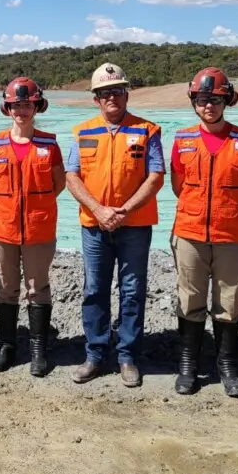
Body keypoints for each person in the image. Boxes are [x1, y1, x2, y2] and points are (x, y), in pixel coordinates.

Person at [65, 63, 165, 388]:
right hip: (94, 226)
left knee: (133, 292)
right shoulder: (82, 132)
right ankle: (95, 354)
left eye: (117, 91)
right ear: (96, 99)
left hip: (134, 226)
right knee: (94, 290)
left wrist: (122, 210)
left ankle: (127, 357)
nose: (112, 97)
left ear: (126, 95)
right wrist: (98, 209)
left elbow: (155, 176)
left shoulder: (148, 130)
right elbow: (71, 177)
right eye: (105, 93)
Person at [169, 68, 238, 398]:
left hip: (233, 236)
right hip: (190, 234)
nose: (209, 105)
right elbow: (179, 187)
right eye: (203, 99)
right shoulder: (182, 140)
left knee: (229, 303)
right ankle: (188, 366)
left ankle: (228, 366)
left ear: (228, 100)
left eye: (217, 99)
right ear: (194, 101)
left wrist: (225, 210)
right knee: (190, 300)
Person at [0, 77, 65, 377]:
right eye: (15, 105)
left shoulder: (49, 143)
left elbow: (59, 184)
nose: (21, 110)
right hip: (2, 228)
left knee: (37, 288)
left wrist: (34, 207)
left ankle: (38, 351)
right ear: (7, 107)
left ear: (37, 106)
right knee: (6, 288)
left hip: (39, 229)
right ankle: (6, 347)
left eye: (26, 104)